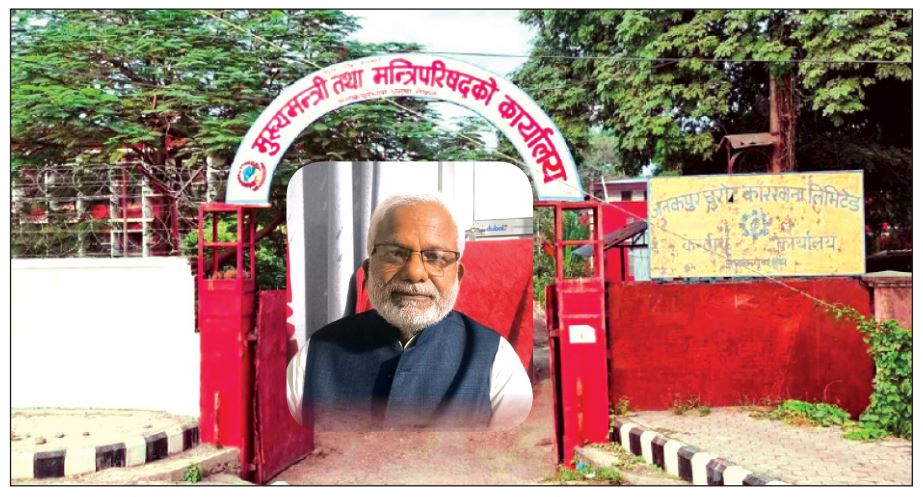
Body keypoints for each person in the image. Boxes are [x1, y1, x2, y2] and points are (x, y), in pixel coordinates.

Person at [287, 193, 532, 431]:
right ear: (368, 270)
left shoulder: (496, 361)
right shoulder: (314, 357)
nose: (415, 273)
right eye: (395, 253)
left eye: (435, 257)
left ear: (457, 277)